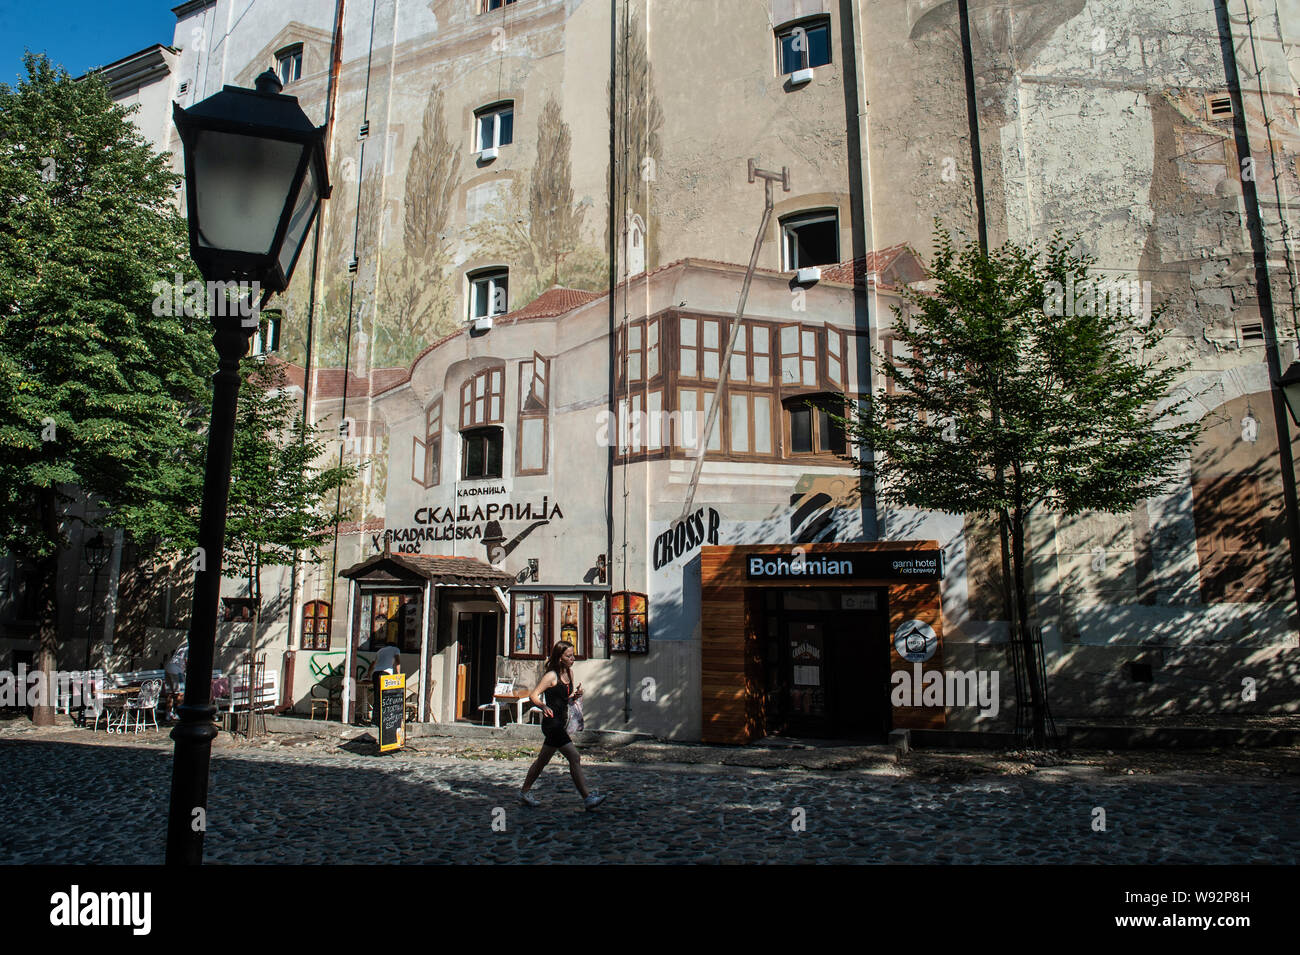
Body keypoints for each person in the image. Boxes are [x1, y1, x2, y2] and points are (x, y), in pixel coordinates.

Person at [519, 641, 606, 810]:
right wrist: (543, 706)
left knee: (542, 761)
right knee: (574, 757)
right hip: (552, 724)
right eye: (568, 656)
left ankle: (524, 791)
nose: (572, 658)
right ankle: (587, 797)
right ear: (560, 658)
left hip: (562, 721)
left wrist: (576, 695)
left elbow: (566, 699)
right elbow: (534, 695)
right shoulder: (551, 676)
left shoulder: (570, 673)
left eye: (573, 655)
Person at [371, 636, 401, 726]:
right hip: (386, 674)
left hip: (376, 673)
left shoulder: (380, 650)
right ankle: (384, 720)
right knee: (386, 698)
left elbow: (373, 663)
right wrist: (398, 675)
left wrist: (368, 674)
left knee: (377, 696)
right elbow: (397, 662)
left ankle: (375, 720)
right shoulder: (396, 649)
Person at [163, 642, 188, 721]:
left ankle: (168, 714)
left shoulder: (182, 646)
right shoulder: (189, 648)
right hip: (177, 671)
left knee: (170, 693)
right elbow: (187, 661)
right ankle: (178, 713)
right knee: (180, 693)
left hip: (168, 668)